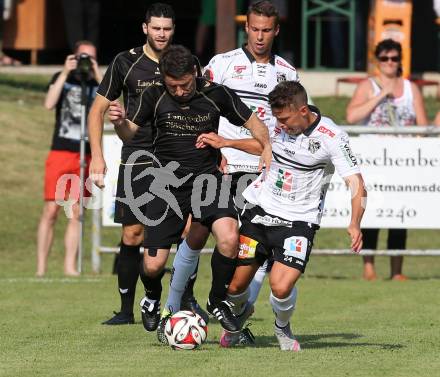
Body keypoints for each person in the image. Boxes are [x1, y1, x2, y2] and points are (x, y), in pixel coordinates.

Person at [109, 44, 271, 342]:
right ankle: (151, 297)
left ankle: (217, 300)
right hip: (165, 185)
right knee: (153, 264)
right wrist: (119, 121)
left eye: (185, 85)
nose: (180, 91)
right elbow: (130, 132)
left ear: (195, 74)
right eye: (173, 86)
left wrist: (267, 148)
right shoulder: (154, 95)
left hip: (207, 181)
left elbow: (256, 124)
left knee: (229, 237)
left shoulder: (217, 94)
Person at [163, 0, 299, 344]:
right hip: (223, 166)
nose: (259, 36)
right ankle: (171, 306)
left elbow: (285, 130)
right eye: (254, 29)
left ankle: (234, 320)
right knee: (197, 232)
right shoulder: (222, 64)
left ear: (276, 30)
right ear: (246, 27)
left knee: (260, 246)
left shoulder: (288, 73)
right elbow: (196, 107)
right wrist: (214, 149)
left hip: (264, 172)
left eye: (266, 30)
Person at [219, 81, 366, 350]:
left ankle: (282, 327)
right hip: (260, 211)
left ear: (302, 110)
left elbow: (357, 183)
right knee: (235, 288)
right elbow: (264, 145)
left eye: (285, 119)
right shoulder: (278, 123)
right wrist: (227, 142)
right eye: (277, 119)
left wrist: (355, 223)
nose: (280, 125)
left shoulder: (331, 136)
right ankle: (239, 316)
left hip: (299, 222)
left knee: (280, 286)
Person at [88, 3, 206, 326]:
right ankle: (127, 310)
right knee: (133, 234)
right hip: (138, 158)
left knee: (186, 232)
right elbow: (96, 110)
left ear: (173, 30)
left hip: (179, 159)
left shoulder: (188, 64)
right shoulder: (125, 62)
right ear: (145, 28)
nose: (161, 33)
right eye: (156, 28)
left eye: (167, 28)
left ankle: (182, 299)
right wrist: (97, 156)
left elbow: (207, 105)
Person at [346, 39, 428, 281]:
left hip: (403, 162)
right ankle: (368, 267)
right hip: (374, 161)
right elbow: (351, 116)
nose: (390, 63)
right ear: (377, 61)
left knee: (399, 215)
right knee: (372, 213)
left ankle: (397, 270)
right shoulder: (367, 86)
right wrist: (381, 94)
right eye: (385, 58)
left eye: (394, 58)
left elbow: (422, 125)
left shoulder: (411, 89)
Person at [36, 40, 102, 277]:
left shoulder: (99, 83)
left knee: (75, 211)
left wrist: (97, 73)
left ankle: (69, 267)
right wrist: (65, 72)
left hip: (85, 152)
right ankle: (41, 268)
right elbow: (49, 103)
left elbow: (113, 106)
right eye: (83, 57)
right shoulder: (61, 78)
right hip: (61, 151)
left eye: (91, 58)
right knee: (51, 210)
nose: (86, 62)